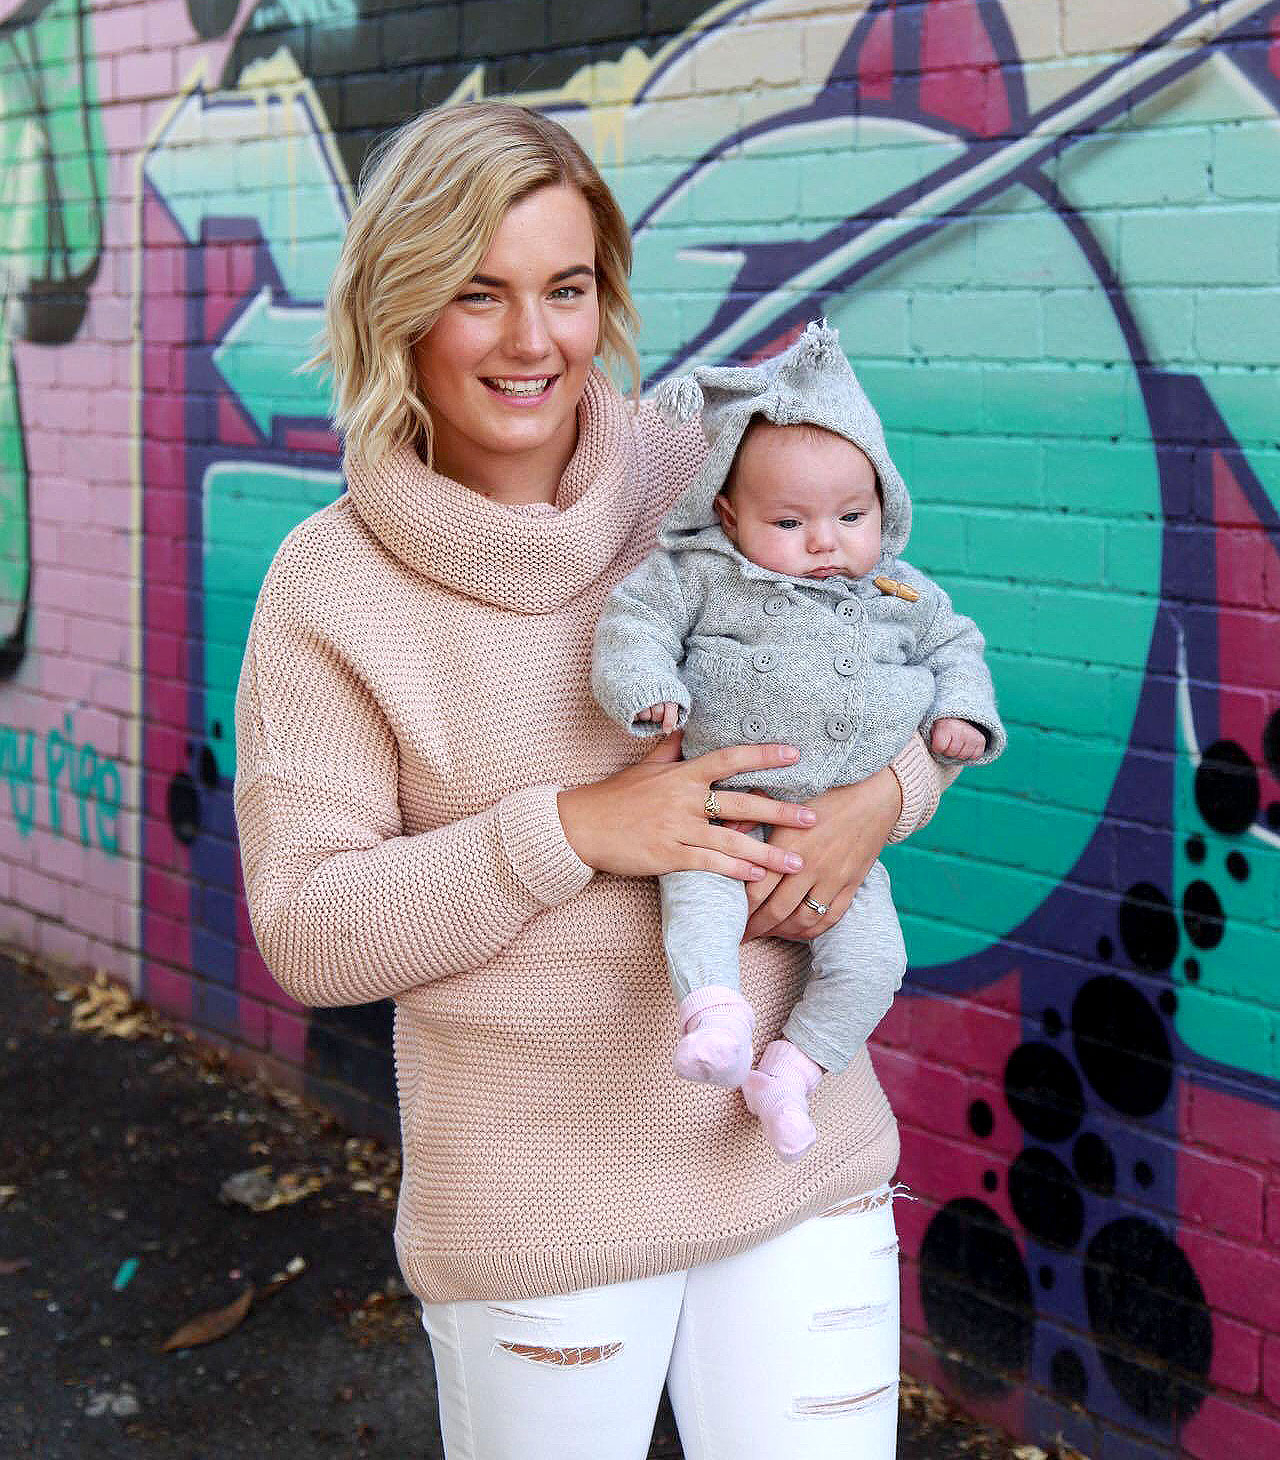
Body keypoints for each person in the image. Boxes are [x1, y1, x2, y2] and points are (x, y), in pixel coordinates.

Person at [233, 101, 956, 1460]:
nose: (533, 342)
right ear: (398, 305)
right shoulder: (330, 586)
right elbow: (312, 930)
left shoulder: (703, 471)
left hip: (788, 1155)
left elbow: (915, 656)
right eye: (478, 293)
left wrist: (883, 803)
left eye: (565, 291)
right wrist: (575, 829)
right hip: (538, 1210)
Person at [592, 322, 1005, 1163]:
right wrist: (649, 689)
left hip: (839, 835)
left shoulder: (899, 590)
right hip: (721, 817)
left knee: (876, 962)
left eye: (852, 516)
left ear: (884, 506)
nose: (825, 542)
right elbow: (634, 625)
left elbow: (956, 647)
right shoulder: (698, 572)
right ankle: (716, 1014)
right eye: (789, 521)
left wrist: (961, 715)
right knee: (699, 907)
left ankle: (792, 1071)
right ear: (728, 515)